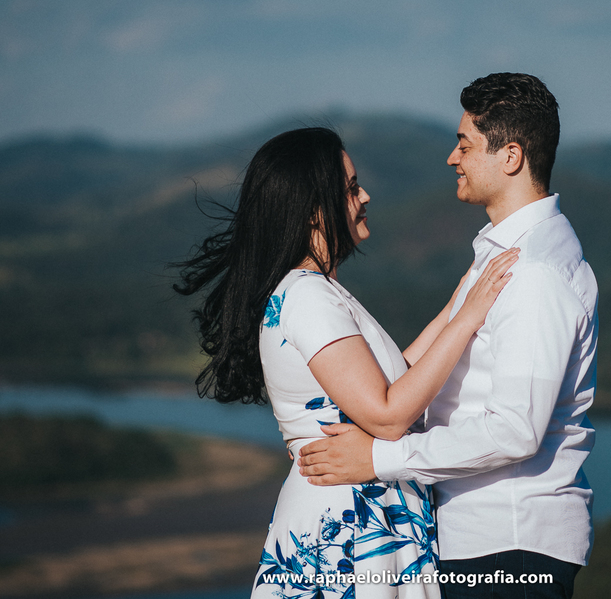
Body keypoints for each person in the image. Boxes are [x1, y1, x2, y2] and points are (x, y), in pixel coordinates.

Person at [174, 127, 519, 599]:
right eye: (352, 188)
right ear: (315, 209)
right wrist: (469, 318)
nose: (365, 196)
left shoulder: (316, 291)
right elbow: (389, 413)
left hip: (364, 519)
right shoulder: (308, 297)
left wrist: (462, 301)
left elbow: (396, 375)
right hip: (347, 530)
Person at [297, 74, 599, 599]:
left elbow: (514, 431)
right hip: (489, 540)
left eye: (464, 144)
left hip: (510, 544)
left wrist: (378, 459)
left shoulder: (533, 274)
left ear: (510, 156)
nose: (451, 158)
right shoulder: (505, 257)